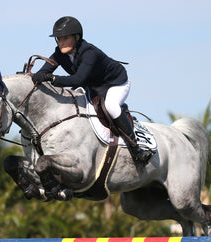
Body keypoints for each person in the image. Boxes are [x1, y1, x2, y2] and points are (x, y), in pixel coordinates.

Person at [33, 16, 152, 165]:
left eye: (65, 38)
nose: (60, 42)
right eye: (58, 39)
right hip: (92, 84)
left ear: (77, 37)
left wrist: (52, 79)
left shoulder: (89, 52)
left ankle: (136, 149)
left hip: (115, 83)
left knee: (111, 106)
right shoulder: (59, 53)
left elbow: (77, 80)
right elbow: (44, 72)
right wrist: (33, 77)